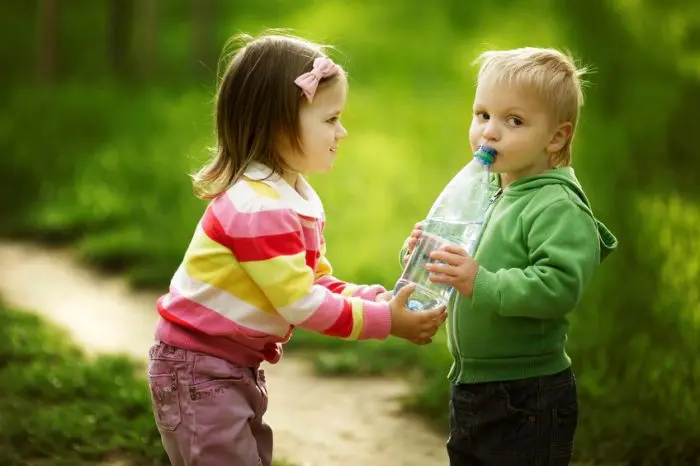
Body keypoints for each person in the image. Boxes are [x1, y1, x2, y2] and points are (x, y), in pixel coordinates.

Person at [147, 32, 447, 466]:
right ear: (277, 126)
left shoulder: (294, 195)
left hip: (228, 367)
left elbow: (315, 281)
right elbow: (301, 304)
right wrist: (386, 322)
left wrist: (376, 298)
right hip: (199, 369)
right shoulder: (256, 208)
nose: (342, 132)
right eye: (330, 119)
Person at [402, 47, 618, 465]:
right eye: (482, 115)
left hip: (527, 392)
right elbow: (460, 255)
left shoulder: (556, 205)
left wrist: (478, 280)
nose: (490, 132)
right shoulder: (487, 189)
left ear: (557, 136)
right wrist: (421, 253)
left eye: (513, 121)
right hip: (474, 385)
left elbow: (557, 288)